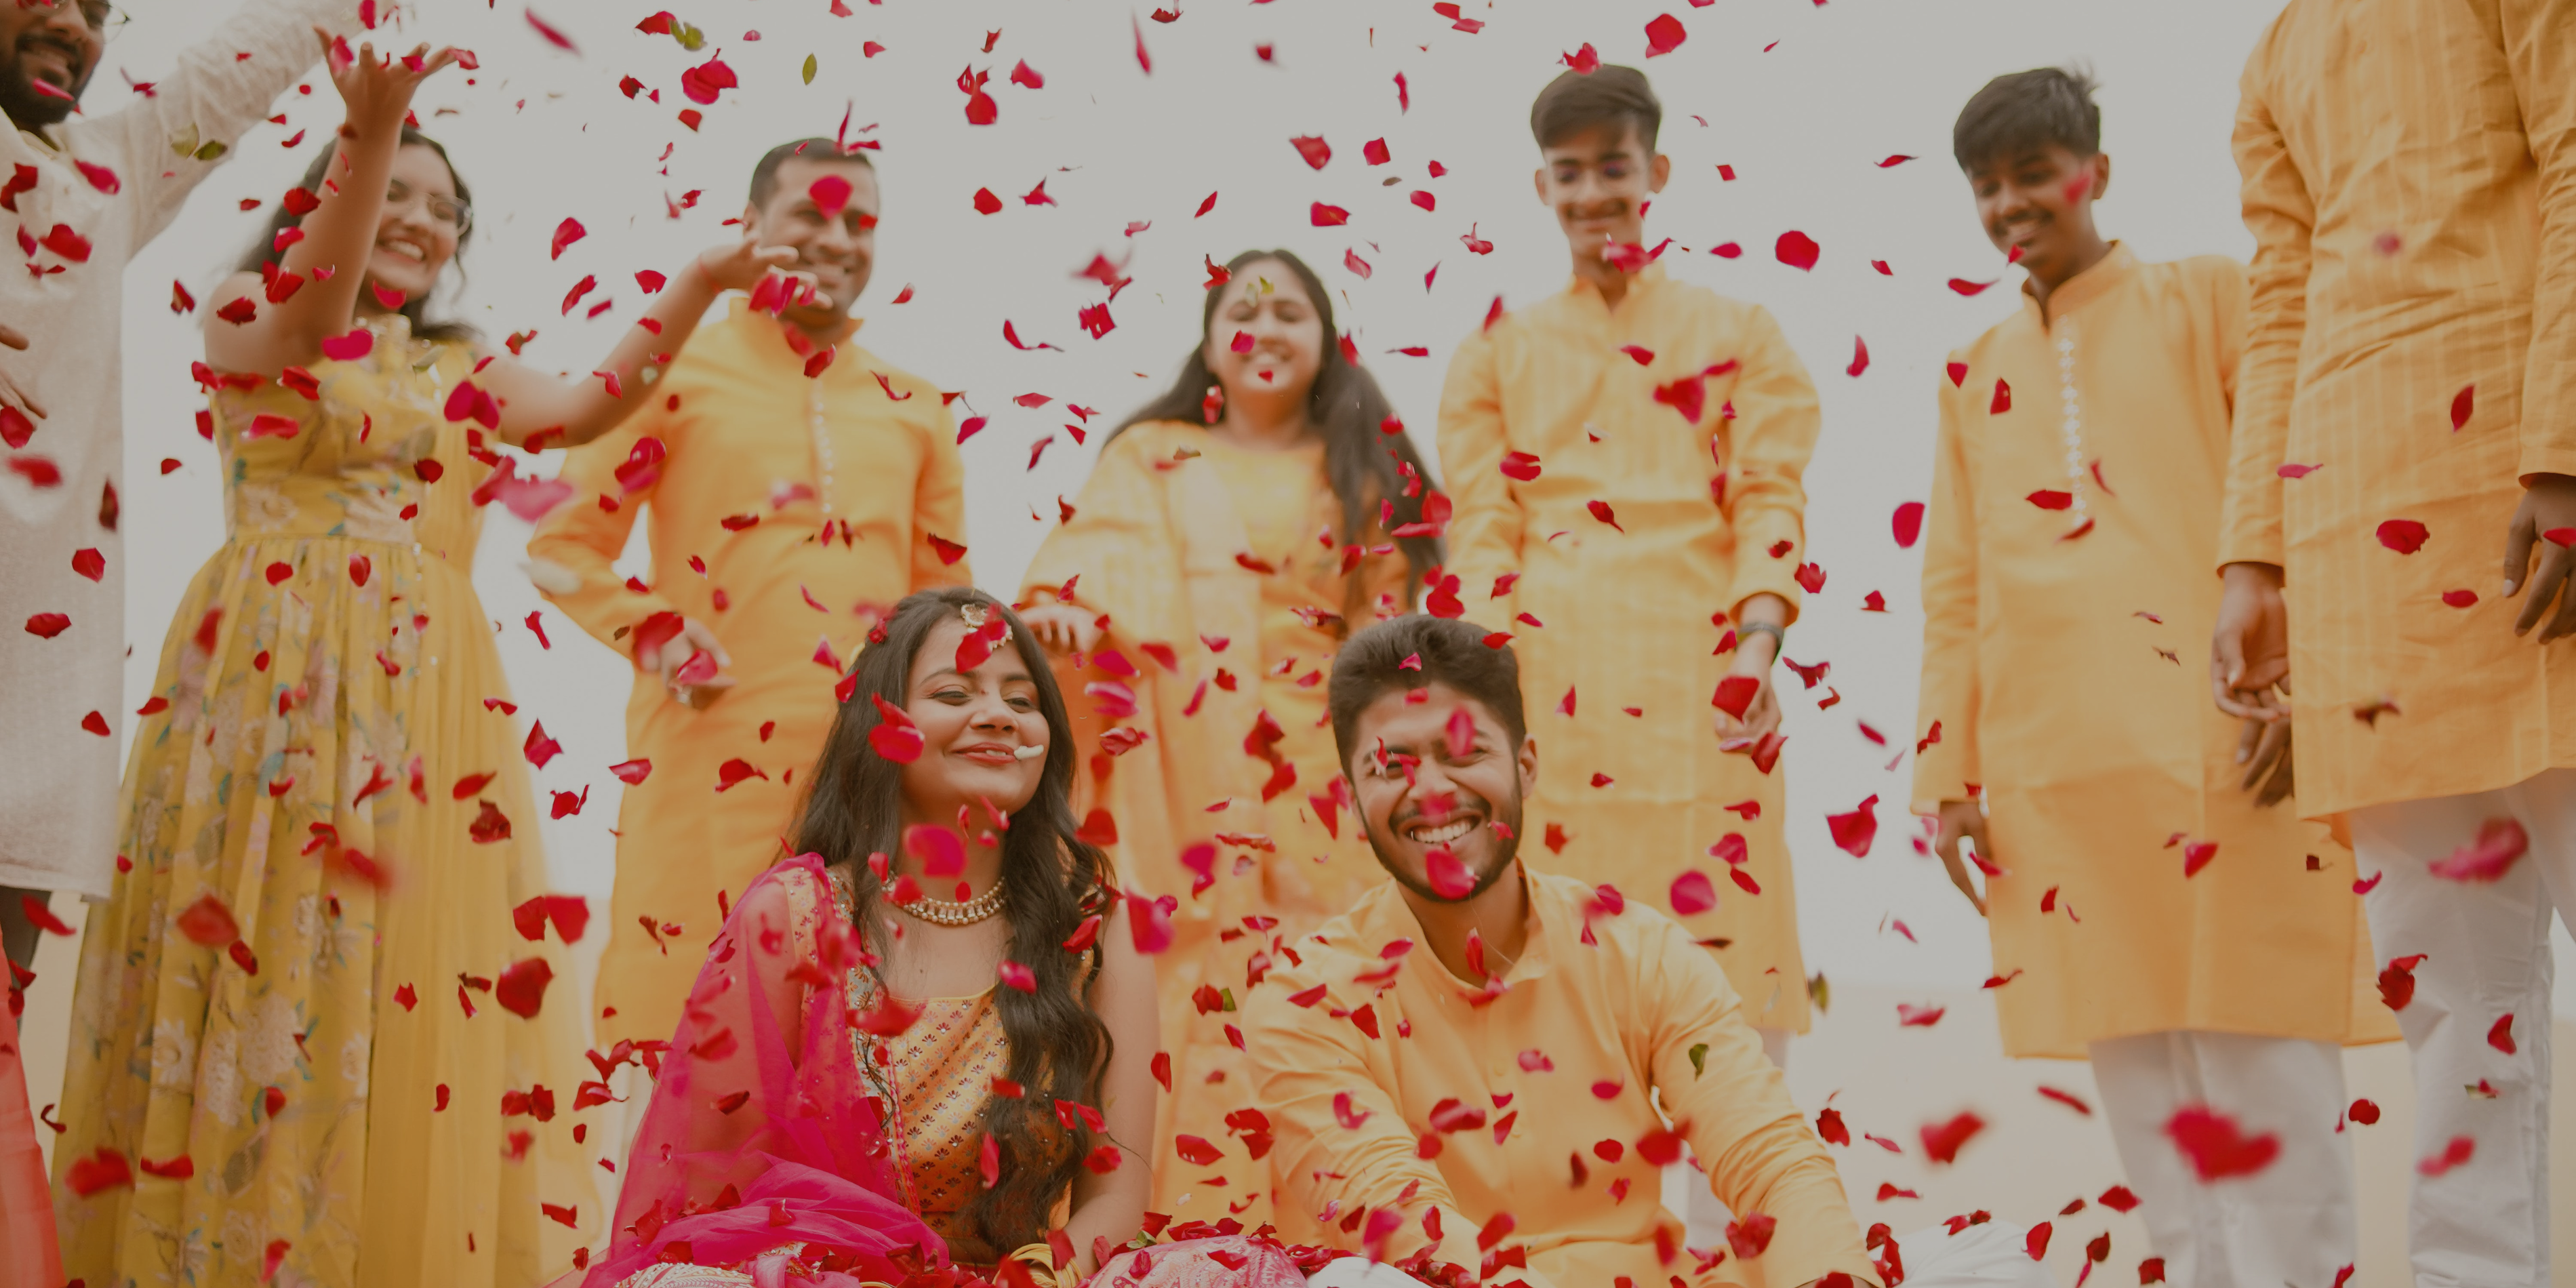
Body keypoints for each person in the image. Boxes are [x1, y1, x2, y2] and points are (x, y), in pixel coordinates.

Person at [52, 39, 806, 1288]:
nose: (417, 219)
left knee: (394, 987)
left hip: (425, 707)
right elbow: (312, 315)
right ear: (326, 195)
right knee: (275, 960)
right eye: (394, 192)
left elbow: (583, 409)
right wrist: (372, 130)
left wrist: (701, 280)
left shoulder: (458, 369)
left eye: (440, 210)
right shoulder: (245, 317)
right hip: (275, 683)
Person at [1916, 67, 2393, 1285]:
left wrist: (2301, 684)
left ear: (2097, 173)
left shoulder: (2208, 302)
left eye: (2034, 173)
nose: (2011, 203)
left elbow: (2299, 486)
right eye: (1987, 186)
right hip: (2060, 779)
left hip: (2223, 747)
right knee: (2148, 1105)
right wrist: (1949, 769)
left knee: (2264, 1070)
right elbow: (1956, 587)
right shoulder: (1973, 372)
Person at [1241, 616, 2053, 1288]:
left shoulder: (1636, 950)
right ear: (1351, 800)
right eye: (1392, 766)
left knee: (1995, 1262)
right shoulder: (1302, 997)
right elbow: (1404, 1217)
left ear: (1524, 765)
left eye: (1463, 754)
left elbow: (1770, 1157)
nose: (1430, 792)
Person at [573, 588, 1312, 1288]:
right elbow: (709, 1194)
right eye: (955, 694)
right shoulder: (793, 916)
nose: (997, 715)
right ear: (880, 726)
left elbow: (1115, 1196)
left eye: (1021, 700)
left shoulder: (1094, 926)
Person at [2213, 2, 2575, 1279]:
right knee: (2457, 1024)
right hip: (2362, 571)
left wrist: (2563, 451)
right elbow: (2280, 303)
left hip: (2529, 517)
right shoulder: (2273, 57)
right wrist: (2253, 559)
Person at [1015, 247, 1438, 1230]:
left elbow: (1395, 635)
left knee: (1320, 990)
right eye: (1243, 310)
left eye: (1290, 310)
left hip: (1318, 773)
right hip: (1177, 768)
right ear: (1208, 342)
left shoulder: (1361, 467)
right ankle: (1176, 1231)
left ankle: (1328, 1232)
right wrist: (1066, 618)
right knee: (1175, 980)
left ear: (1324, 338)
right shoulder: (1150, 453)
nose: (1267, 328)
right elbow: (1090, 562)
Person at [527, 138, 973, 1059]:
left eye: (859, 222)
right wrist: (653, 632)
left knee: (871, 1046)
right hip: (707, 752)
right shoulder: (677, 373)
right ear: (749, 227)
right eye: (811, 214)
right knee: (696, 1031)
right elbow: (560, 544)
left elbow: (947, 610)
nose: (837, 238)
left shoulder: (914, 404)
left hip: (870, 775)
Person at [1436, 64, 1819, 1058]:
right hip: (1550, 692)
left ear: (1656, 171)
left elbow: (1769, 496)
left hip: (1708, 687)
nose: (1594, 191)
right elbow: (1482, 529)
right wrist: (1487, 685)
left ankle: (1731, 1218)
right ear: (1542, 188)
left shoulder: (1740, 334)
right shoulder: (1494, 356)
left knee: (1723, 986)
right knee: (1567, 992)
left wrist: (1759, 646)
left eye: (1614, 166)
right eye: (1570, 172)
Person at [2, 0, 369, 959]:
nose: (71, 23)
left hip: (31, 711)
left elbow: (248, 61)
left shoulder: (104, 174)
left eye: (94, 10)